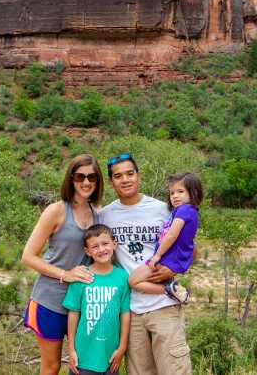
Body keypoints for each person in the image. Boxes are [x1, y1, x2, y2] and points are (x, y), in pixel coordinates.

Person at [98, 154, 192, 374]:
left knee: (174, 369)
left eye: (130, 174)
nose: (125, 180)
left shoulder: (163, 209)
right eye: (118, 176)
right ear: (111, 182)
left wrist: (174, 268)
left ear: (139, 176)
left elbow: (189, 247)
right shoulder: (105, 216)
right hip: (130, 311)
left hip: (164, 305)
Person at [22, 154, 104, 375]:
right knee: (52, 366)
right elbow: (28, 256)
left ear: (98, 182)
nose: (86, 182)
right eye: (80, 176)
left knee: (83, 364)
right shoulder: (56, 210)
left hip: (82, 304)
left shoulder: (98, 216)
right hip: (50, 301)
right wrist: (64, 274)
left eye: (92, 177)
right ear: (71, 179)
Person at [63, 224, 131, 375]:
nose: (101, 249)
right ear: (87, 251)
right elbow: (73, 314)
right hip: (84, 357)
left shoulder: (123, 277)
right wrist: (71, 350)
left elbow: (125, 313)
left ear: (114, 244)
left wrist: (121, 348)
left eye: (105, 244)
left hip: (110, 356)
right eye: (95, 246)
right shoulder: (81, 276)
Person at [127, 172, 203, 304]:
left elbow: (172, 235)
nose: (175, 196)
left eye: (180, 191)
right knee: (143, 280)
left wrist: (157, 256)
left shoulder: (184, 210)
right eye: (172, 193)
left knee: (133, 281)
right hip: (175, 259)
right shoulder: (191, 211)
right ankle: (171, 289)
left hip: (167, 259)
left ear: (194, 192)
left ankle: (169, 289)